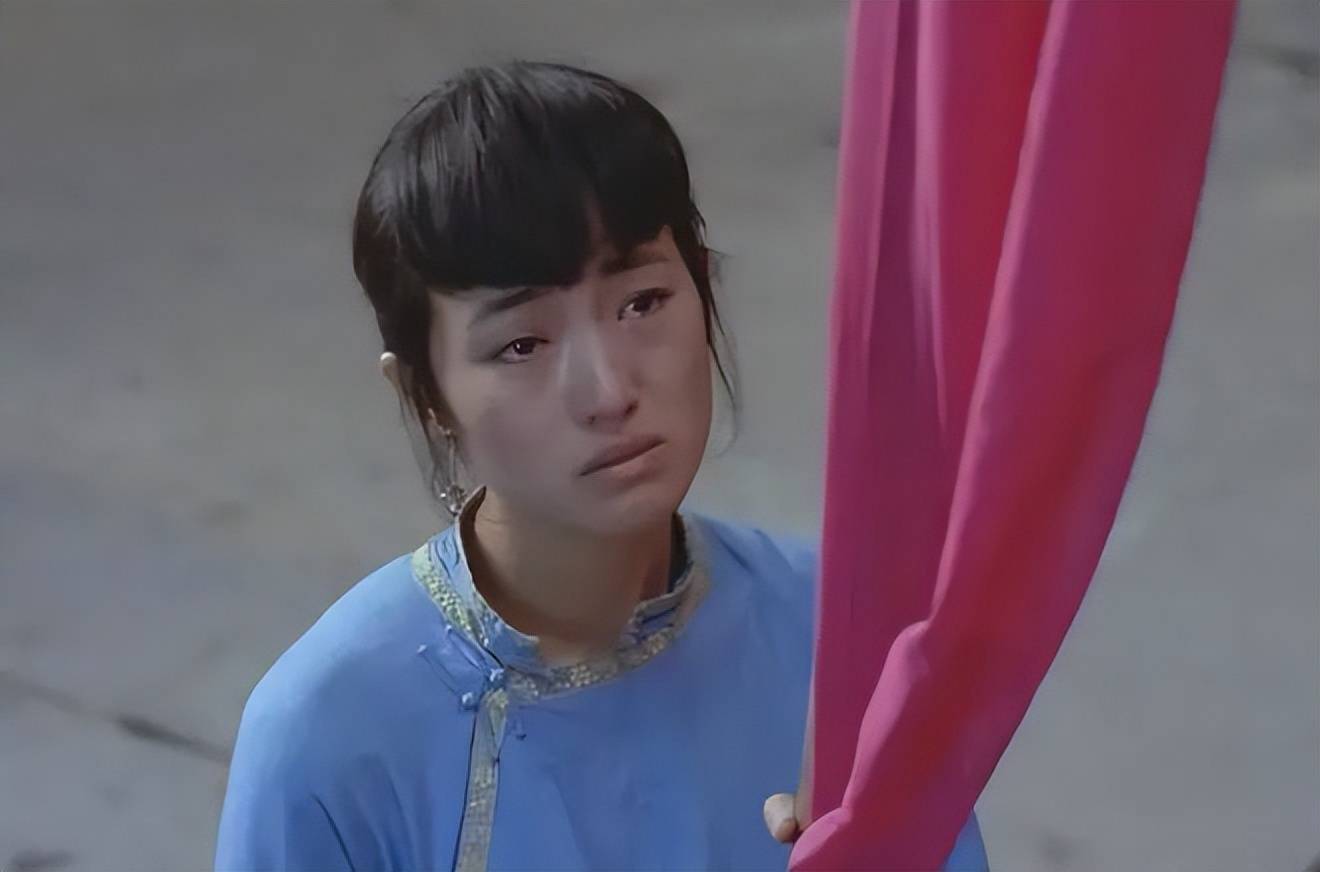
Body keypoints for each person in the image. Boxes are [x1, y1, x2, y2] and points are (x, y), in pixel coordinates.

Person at [214, 61, 988, 871]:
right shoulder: (331, 739)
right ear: (425, 394)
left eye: (641, 303)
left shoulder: (837, 636)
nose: (610, 391)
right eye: (523, 344)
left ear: (703, 287)